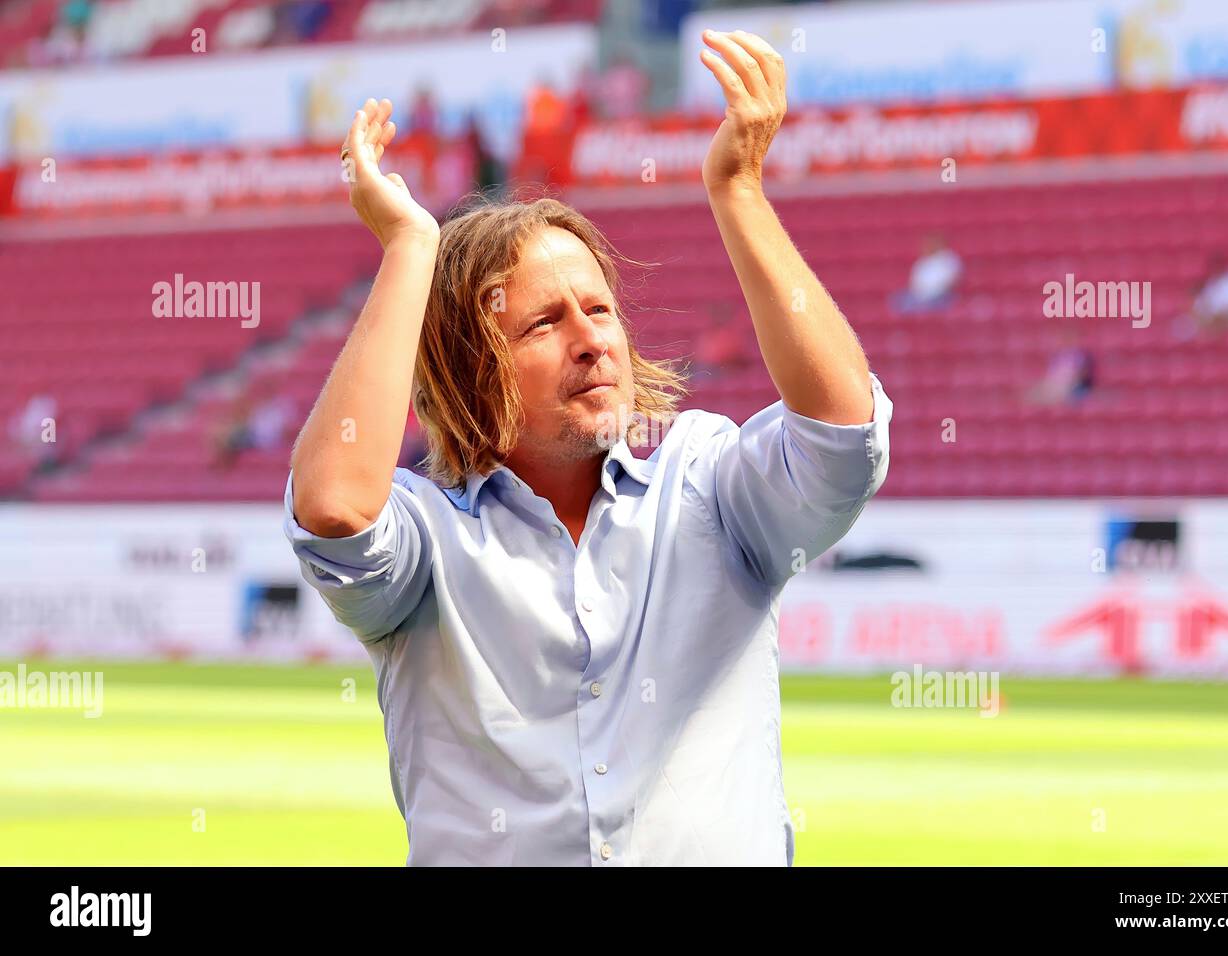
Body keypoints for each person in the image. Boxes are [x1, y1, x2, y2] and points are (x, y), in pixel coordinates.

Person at [285, 29, 892, 867]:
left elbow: (841, 438)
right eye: (544, 322)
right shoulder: (429, 541)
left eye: (599, 310)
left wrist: (740, 190)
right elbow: (334, 509)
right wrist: (410, 248)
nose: (592, 340)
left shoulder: (707, 481)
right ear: (472, 370)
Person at [891, 234, 962, 313]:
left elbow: (953, 280)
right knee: (898, 300)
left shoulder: (949, 259)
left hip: (941, 295)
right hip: (919, 295)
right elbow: (915, 283)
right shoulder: (922, 261)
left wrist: (934, 291)